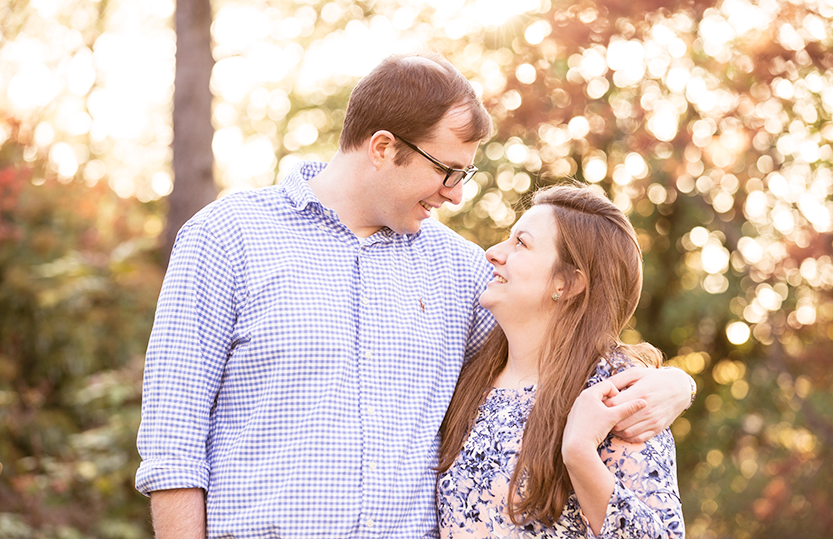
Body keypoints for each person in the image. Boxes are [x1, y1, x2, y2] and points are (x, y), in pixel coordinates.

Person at [135, 53, 694, 538]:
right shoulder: (226, 239)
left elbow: (553, 343)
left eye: (464, 174)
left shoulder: (461, 271)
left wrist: (674, 384)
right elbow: (174, 446)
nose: (453, 194)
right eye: (447, 170)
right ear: (383, 148)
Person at [437, 184, 685, 538]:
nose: (493, 253)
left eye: (520, 243)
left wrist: (580, 454)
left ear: (567, 283)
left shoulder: (615, 390)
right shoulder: (473, 373)